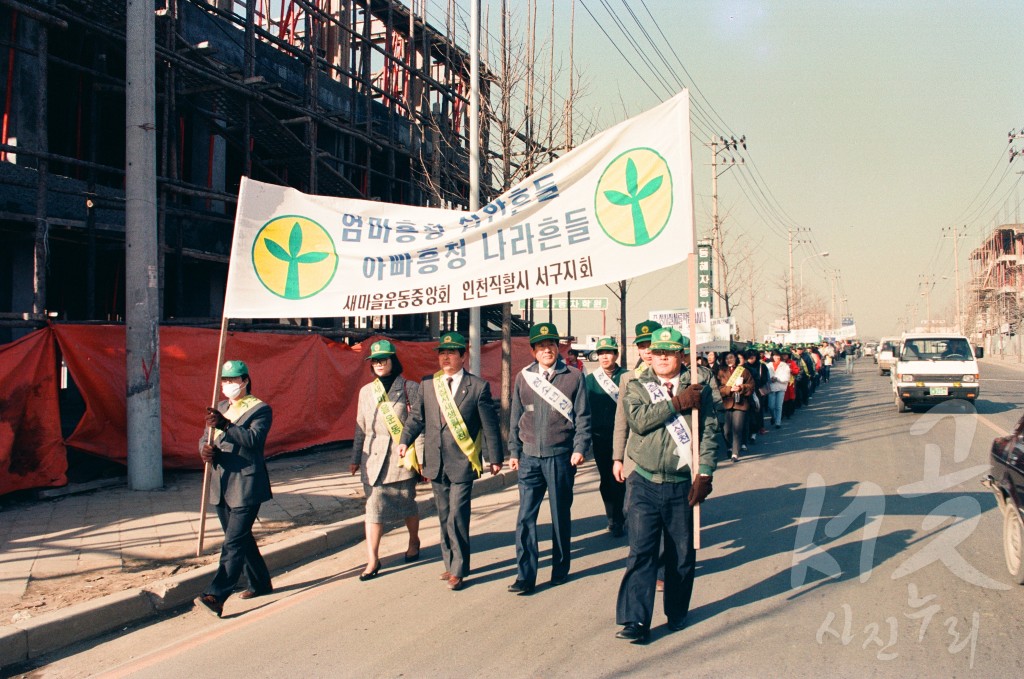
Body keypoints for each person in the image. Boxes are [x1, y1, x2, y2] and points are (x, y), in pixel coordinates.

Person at [612, 328, 719, 643]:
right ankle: (636, 620)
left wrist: (707, 473)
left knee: (680, 554)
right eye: (657, 352)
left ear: (681, 356)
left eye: (668, 353)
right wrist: (676, 403)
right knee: (641, 551)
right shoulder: (638, 385)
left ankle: (676, 611)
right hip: (644, 480)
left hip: (680, 483)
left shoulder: (699, 388)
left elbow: (710, 431)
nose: (661, 357)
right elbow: (640, 420)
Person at [398, 332, 503, 591]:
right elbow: (417, 419)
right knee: (444, 515)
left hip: (463, 461)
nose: (445, 357)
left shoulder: (477, 387)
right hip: (435, 461)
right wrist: (404, 440)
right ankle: (450, 563)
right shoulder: (427, 384)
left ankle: (459, 569)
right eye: (441, 353)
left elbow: (489, 426)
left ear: (462, 356)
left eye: (451, 353)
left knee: (458, 514)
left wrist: (495, 458)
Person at [508, 322, 591, 594]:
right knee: (525, 518)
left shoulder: (573, 377)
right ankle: (525, 576)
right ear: (533, 351)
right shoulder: (523, 377)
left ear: (558, 348)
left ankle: (560, 568)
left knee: (559, 515)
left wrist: (580, 448)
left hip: (560, 457)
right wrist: (514, 451)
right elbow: (515, 417)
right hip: (530, 456)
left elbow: (583, 417)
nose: (547, 350)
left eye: (551, 345)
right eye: (541, 346)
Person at [195, 360, 274, 618]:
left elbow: (253, 440)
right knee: (241, 538)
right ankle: (260, 582)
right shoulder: (219, 408)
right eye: (225, 380)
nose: (229, 385)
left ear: (245, 380)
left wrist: (226, 426)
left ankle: (216, 595)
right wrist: (204, 451)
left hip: (246, 484)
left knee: (233, 542)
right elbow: (204, 438)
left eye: (234, 380)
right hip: (221, 482)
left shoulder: (260, 409)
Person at [350, 340, 422, 581]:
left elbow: (418, 424)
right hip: (372, 459)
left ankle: (413, 540)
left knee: (407, 504)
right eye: (375, 361)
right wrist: (355, 457)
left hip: (400, 457)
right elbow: (360, 427)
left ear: (394, 361)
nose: (379, 364)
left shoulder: (409, 387)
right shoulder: (365, 392)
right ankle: (373, 559)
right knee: (373, 509)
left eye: (384, 360)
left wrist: (421, 458)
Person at [585, 337, 628, 536]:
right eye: (601, 353)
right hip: (600, 436)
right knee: (606, 478)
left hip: (625, 437)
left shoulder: (627, 377)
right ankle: (612, 517)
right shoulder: (590, 381)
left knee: (622, 478)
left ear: (616, 355)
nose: (604, 357)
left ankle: (624, 515)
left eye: (608, 352)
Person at [716, 351, 754, 463]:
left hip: (740, 403)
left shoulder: (744, 371)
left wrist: (741, 387)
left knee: (737, 428)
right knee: (726, 430)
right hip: (727, 403)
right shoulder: (721, 372)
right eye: (727, 358)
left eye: (731, 358)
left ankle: (735, 453)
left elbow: (751, 385)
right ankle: (729, 447)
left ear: (736, 359)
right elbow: (718, 388)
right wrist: (729, 389)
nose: (729, 360)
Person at [766, 349, 790, 429]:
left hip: (781, 387)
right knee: (771, 406)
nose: (777, 357)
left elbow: (787, 377)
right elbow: (766, 377)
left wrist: (777, 379)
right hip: (771, 387)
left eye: (778, 355)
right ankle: (773, 417)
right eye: (775, 355)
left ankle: (778, 422)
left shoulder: (785, 365)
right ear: (772, 356)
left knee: (779, 406)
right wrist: (770, 379)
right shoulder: (768, 365)